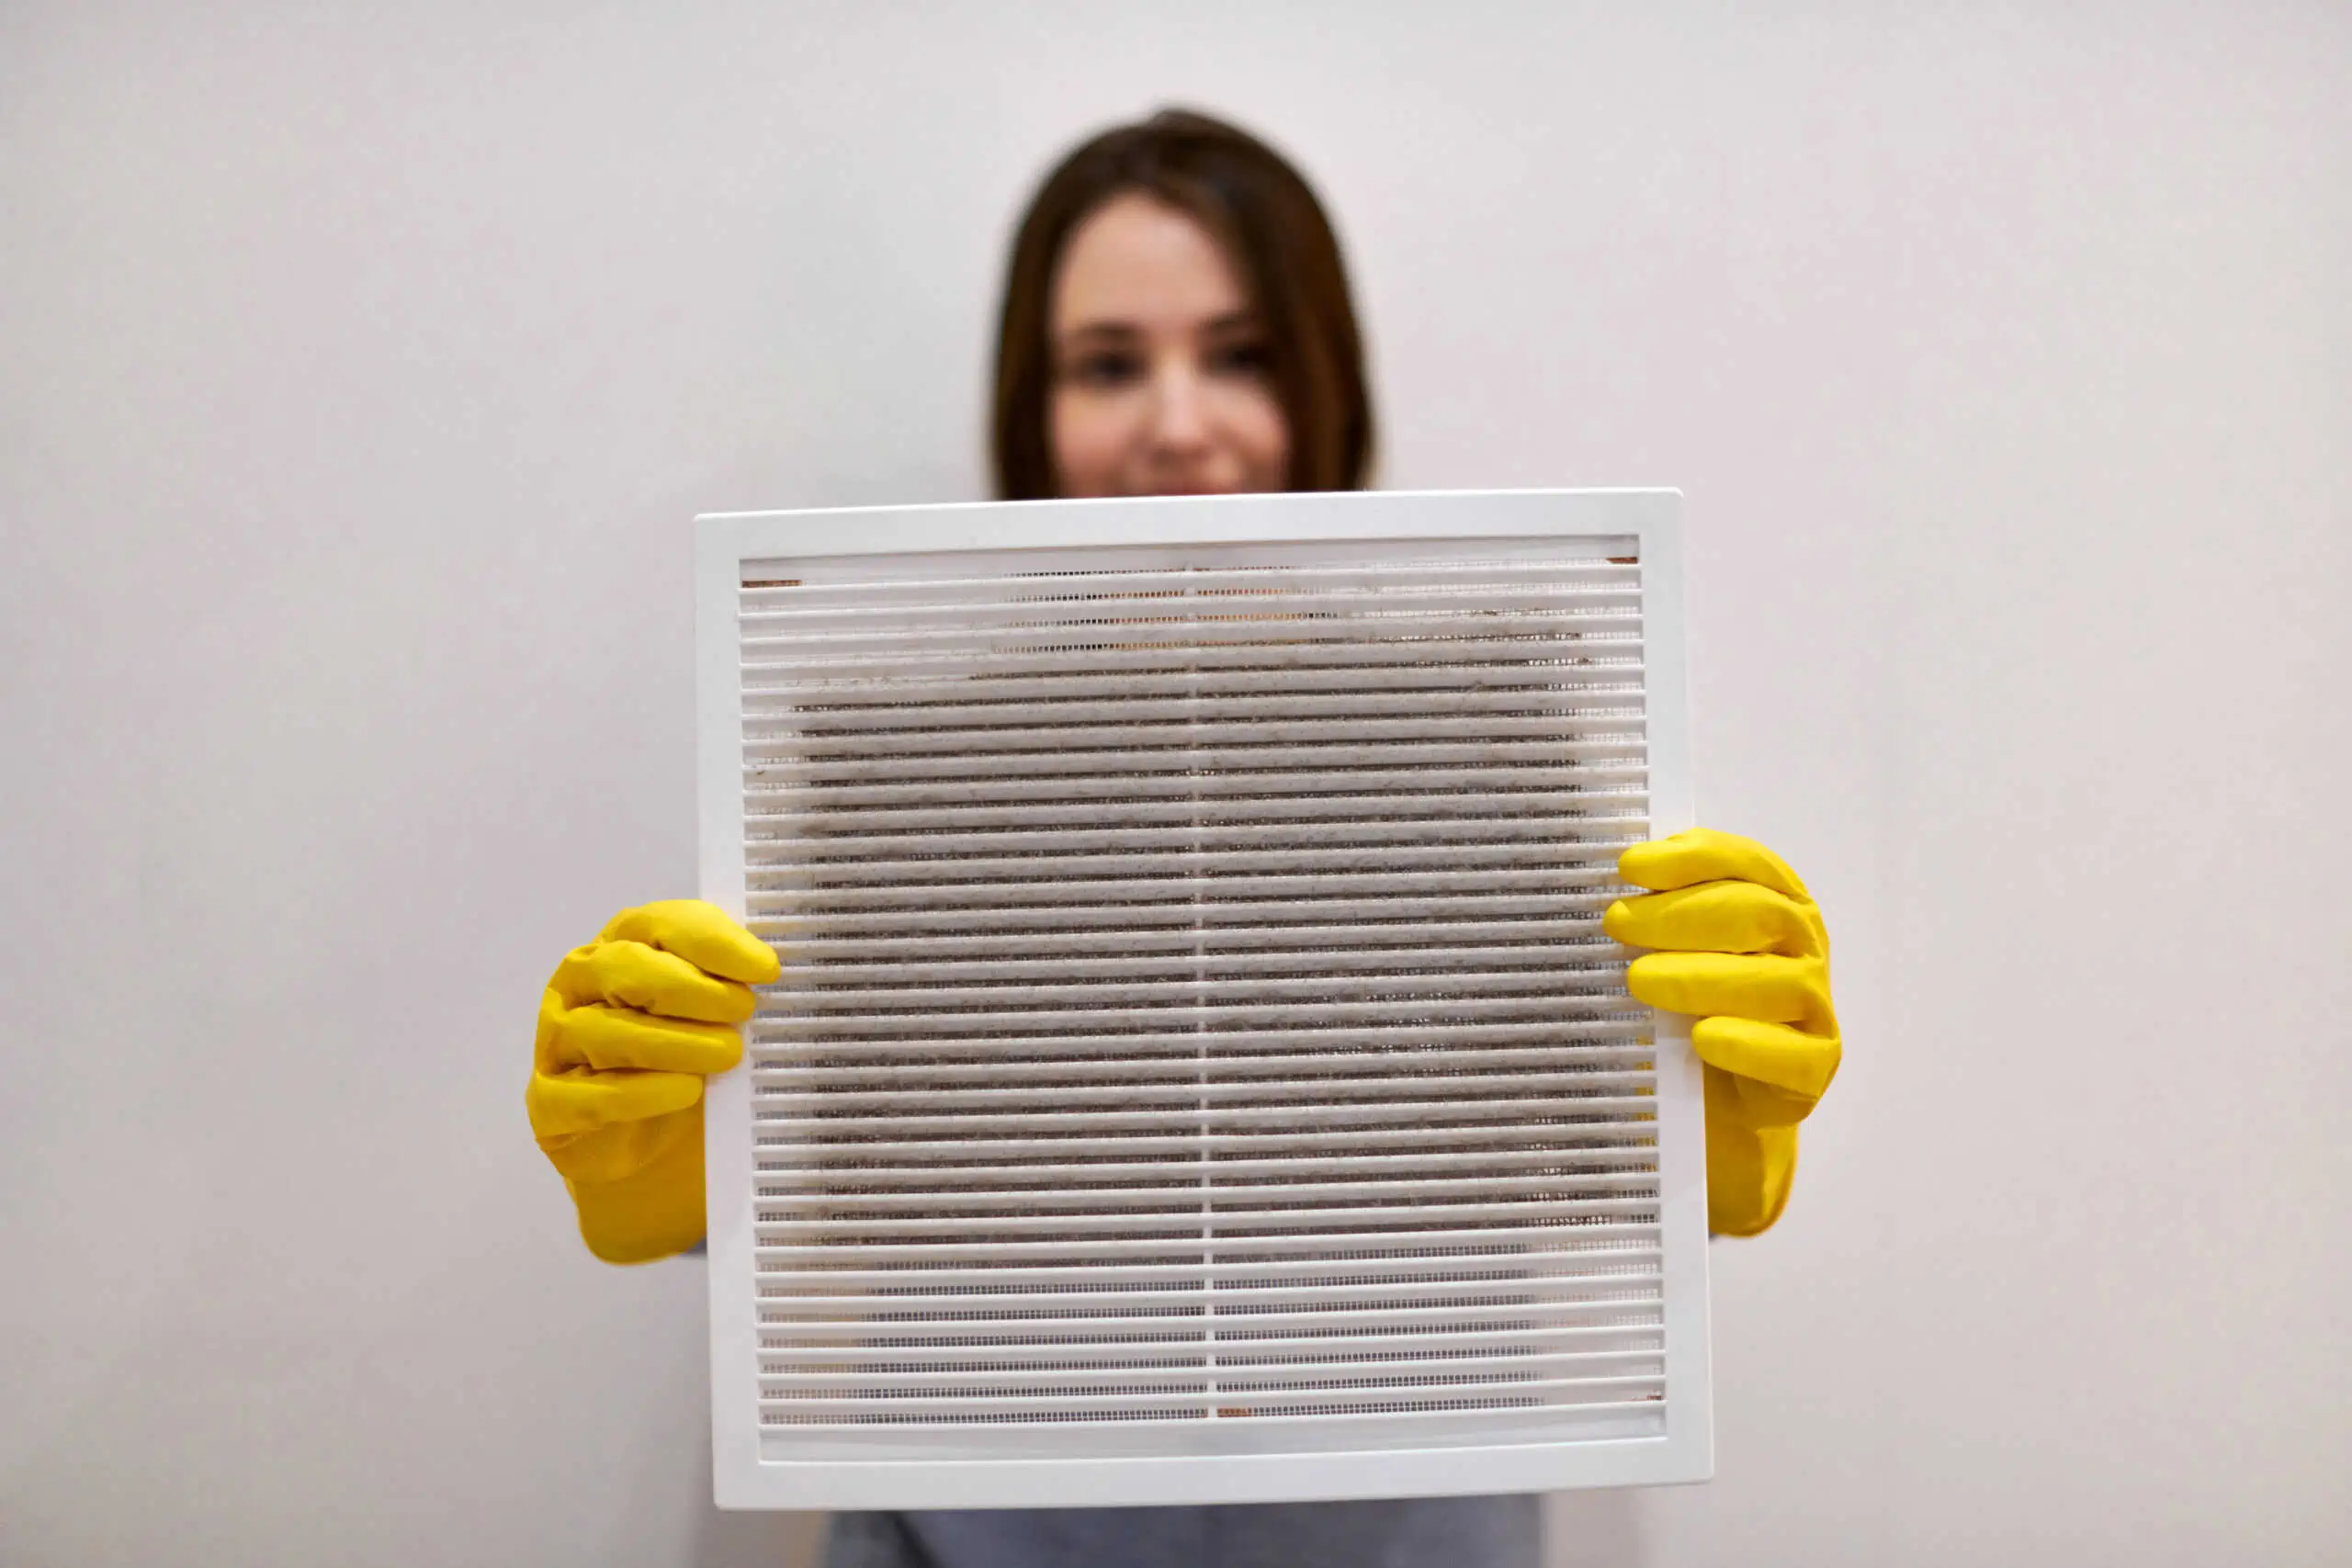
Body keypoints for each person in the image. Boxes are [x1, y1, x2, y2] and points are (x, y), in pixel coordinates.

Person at [526, 108, 1842, 1568]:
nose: (1175, 421)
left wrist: (1677, 1114)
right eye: (1106, 364)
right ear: (1033, 406)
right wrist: (675, 1147)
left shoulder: (1479, 745)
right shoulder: (897, 771)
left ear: (1325, 382)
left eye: (1242, 352)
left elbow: (1569, 1151)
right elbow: (821, 1167)